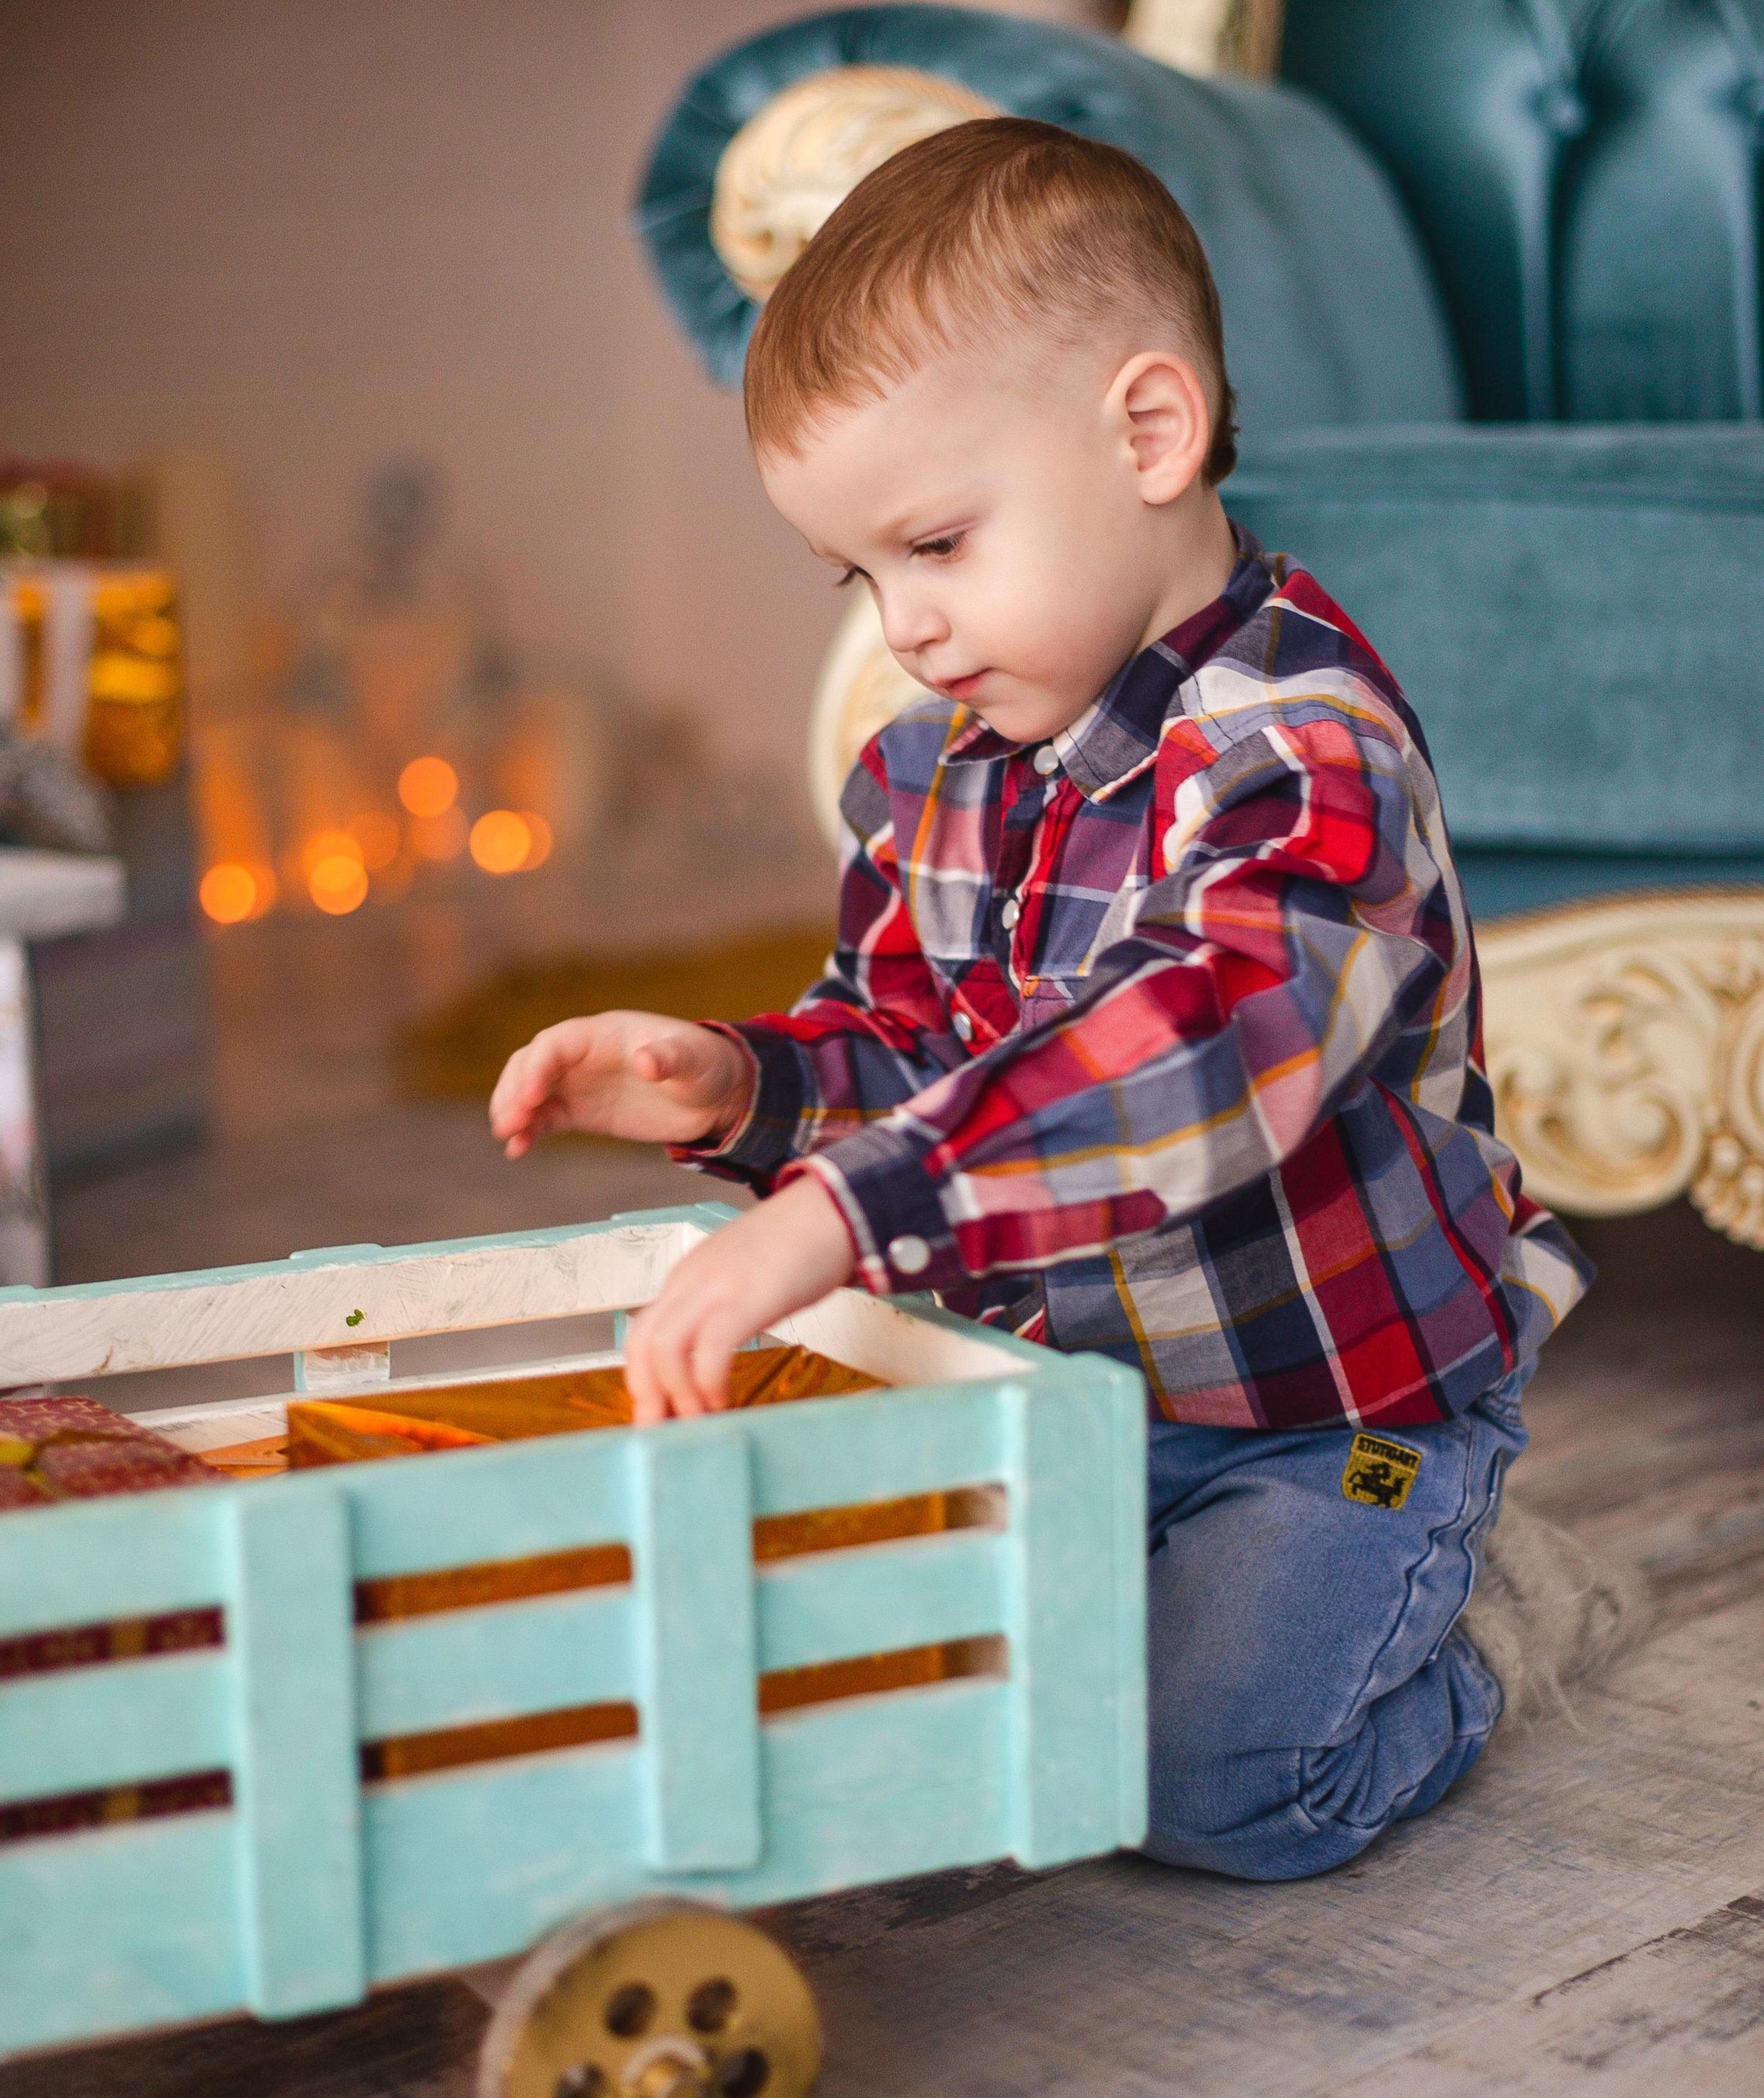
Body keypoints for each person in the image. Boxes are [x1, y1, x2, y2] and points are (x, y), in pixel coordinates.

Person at [488, 117, 1618, 1882]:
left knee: (1202, 1785)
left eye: (937, 542)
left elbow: (1197, 1057)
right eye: (861, 575)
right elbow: (905, 1041)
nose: (908, 626)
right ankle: (1191, 1599)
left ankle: (1461, 1625)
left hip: (1338, 1408)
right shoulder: (942, 770)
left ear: (1147, 434)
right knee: (909, 1700)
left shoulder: (1296, 759)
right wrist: (739, 1087)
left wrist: (833, 1220)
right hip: (1085, 1389)